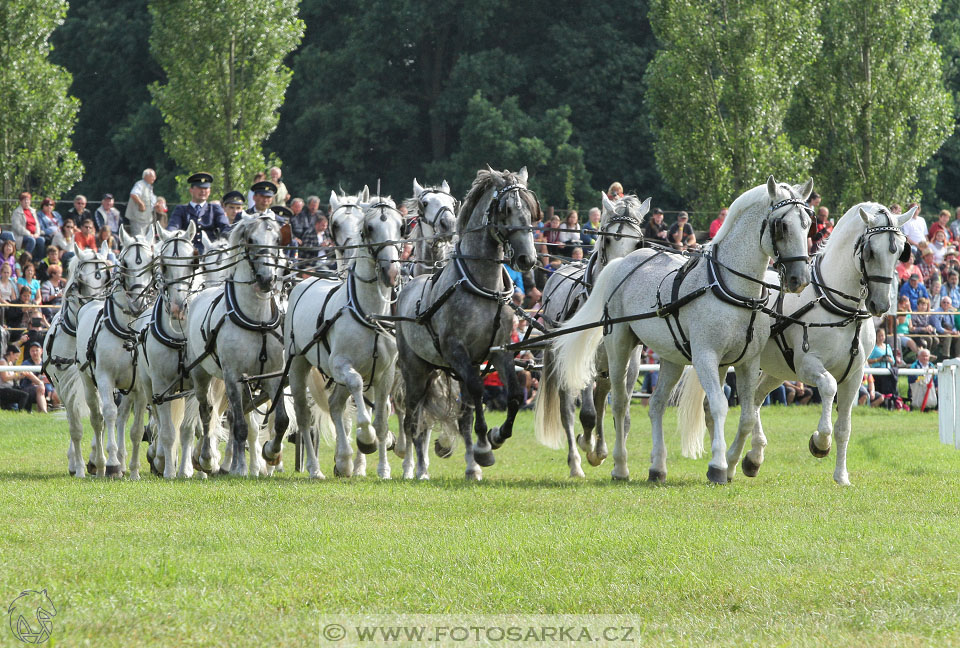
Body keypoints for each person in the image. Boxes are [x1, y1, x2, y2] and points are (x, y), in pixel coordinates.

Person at [167, 172, 230, 252]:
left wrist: (223, 241)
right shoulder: (181, 209)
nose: (203, 191)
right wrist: (170, 235)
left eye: (205, 188)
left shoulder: (215, 209)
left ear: (209, 191)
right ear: (191, 190)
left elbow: (225, 227)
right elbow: (173, 227)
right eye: (200, 188)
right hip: (186, 252)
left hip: (211, 253)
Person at [9, 192, 46, 259]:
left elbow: (37, 224)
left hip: (34, 235)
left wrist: (37, 233)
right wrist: (29, 234)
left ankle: (37, 261)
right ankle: (25, 260)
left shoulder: (33, 211)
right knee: (31, 240)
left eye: (28, 200)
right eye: (24, 200)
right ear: (20, 201)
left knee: (41, 240)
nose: (26, 202)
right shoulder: (17, 212)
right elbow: (17, 227)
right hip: (21, 236)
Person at [125, 168, 157, 237]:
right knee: (139, 239)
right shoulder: (140, 184)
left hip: (147, 219)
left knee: (149, 240)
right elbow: (133, 194)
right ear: (146, 176)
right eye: (153, 176)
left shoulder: (149, 187)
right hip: (138, 220)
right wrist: (141, 203)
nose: (154, 178)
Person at [867, 328, 898, 396]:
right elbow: (867, 361)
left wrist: (889, 359)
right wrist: (878, 359)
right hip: (877, 372)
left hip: (888, 371)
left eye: (882, 335)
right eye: (879, 336)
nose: (881, 338)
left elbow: (893, 361)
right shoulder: (874, 348)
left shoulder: (888, 346)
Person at [0, 345, 30, 411]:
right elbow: (5, 378)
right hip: (3, 389)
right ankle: (20, 412)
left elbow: (11, 377)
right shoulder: (2, 362)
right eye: (16, 356)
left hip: (9, 388)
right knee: (24, 395)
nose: (17, 358)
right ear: (11, 353)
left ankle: (26, 411)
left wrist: (20, 376)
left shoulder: (10, 363)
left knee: (27, 392)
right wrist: (17, 374)